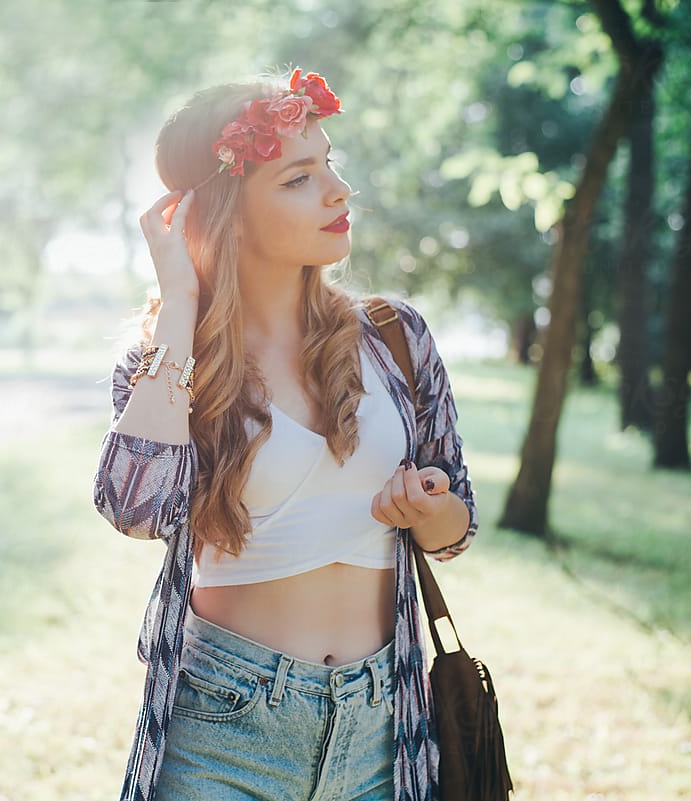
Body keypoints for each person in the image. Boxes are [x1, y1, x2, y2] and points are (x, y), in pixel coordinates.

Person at [92, 68, 478, 801]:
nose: (339, 191)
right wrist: (180, 301)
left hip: (382, 728)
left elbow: (457, 530)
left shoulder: (395, 337)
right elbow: (136, 510)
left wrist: (431, 508)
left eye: (328, 164)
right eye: (299, 177)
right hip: (222, 729)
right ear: (226, 211)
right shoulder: (166, 363)